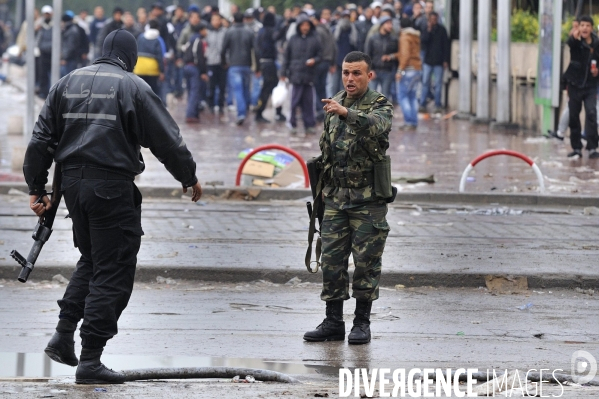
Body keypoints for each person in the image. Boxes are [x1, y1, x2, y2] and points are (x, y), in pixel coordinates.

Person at [23, 29, 202, 384]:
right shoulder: (133, 86)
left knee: (92, 260)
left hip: (71, 187)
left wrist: (36, 188)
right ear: (130, 56)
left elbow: (41, 139)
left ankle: (62, 335)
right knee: (113, 269)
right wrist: (188, 176)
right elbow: (167, 139)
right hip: (111, 189)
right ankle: (91, 359)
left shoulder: (65, 83)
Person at [303, 51, 392, 345]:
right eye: (345, 73)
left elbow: (376, 126)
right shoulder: (334, 103)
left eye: (356, 73)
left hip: (367, 201)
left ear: (369, 75)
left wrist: (346, 113)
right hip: (335, 199)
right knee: (332, 262)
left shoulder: (379, 105)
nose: (350, 79)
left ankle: (362, 323)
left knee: (366, 263)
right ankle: (333, 321)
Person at [563, 16, 599, 159]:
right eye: (582, 25)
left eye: (587, 25)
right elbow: (569, 43)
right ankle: (576, 147)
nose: (584, 28)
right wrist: (573, 36)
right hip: (574, 85)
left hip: (590, 86)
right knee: (573, 116)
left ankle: (592, 147)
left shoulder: (597, 44)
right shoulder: (576, 43)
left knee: (591, 113)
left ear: (591, 28)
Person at [280, 14, 322, 135]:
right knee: (294, 102)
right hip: (295, 75)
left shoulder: (315, 39)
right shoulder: (293, 39)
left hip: (309, 76)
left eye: (307, 25)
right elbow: (286, 57)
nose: (305, 27)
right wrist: (283, 72)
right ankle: (292, 124)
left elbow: (320, 55)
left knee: (308, 102)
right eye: (303, 25)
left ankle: (309, 124)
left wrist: (314, 60)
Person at [221, 12, 256, 125]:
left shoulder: (229, 32)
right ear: (244, 19)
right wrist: (257, 66)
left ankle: (241, 113)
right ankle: (245, 109)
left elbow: (223, 50)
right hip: (246, 64)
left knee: (238, 90)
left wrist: (224, 63)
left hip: (234, 65)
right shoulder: (249, 32)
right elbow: (256, 50)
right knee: (246, 88)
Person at [419, 11, 448, 113]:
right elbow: (423, 41)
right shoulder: (426, 30)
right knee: (425, 82)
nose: (433, 21)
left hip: (438, 61)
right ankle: (422, 104)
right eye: (431, 19)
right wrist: (428, 30)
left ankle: (438, 104)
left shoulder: (442, 30)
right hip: (428, 61)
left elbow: (446, 46)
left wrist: (445, 60)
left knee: (438, 84)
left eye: (435, 19)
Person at [396, 17, 421, 129]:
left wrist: (400, 70)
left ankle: (409, 121)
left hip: (408, 69)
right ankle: (414, 122)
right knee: (412, 96)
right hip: (417, 68)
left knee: (403, 96)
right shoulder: (415, 36)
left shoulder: (405, 37)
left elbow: (405, 55)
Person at [254, 12, 279, 123]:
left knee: (268, 87)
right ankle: (260, 111)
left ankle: (262, 109)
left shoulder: (261, 31)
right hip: (269, 62)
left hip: (263, 62)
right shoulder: (270, 31)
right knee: (269, 87)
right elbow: (275, 39)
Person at [365, 15, 398, 100]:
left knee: (384, 97)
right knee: (371, 97)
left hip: (387, 70)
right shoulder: (373, 38)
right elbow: (367, 55)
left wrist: (390, 57)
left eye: (391, 24)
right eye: (388, 23)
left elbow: (398, 54)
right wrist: (370, 69)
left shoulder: (393, 39)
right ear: (382, 25)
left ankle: (382, 113)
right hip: (374, 70)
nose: (390, 26)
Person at [182, 22, 209, 123]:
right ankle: (191, 114)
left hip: (187, 67)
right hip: (194, 68)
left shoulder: (191, 39)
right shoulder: (199, 41)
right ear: (201, 30)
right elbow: (200, 57)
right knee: (195, 92)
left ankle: (193, 113)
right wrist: (203, 71)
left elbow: (184, 49)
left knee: (190, 91)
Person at [133, 19, 166, 98]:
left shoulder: (141, 37)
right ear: (158, 28)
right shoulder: (158, 39)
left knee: (140, 91)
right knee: (152, 92)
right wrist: (162, 71)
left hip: (139, 68)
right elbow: (160, 56)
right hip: (152, 69)